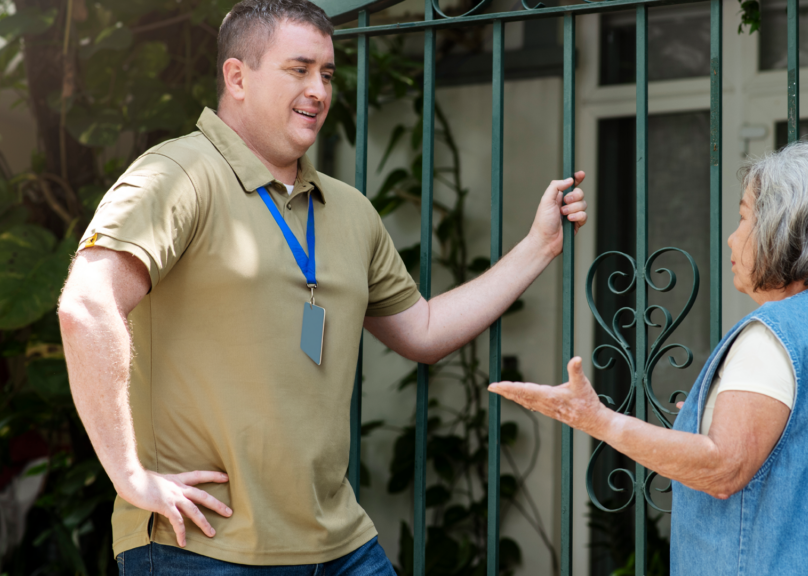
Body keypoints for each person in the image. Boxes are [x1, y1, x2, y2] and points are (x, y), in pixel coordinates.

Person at [56, 0, 588, 572]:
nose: (319, 90)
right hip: (202, 546)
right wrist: (129, 475)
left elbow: (425, 331)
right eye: (299, 69)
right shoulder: (177, 175)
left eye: (327, 74)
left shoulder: (351, 210)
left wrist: (540, 245)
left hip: (340, 546)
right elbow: (88, 306)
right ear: (237, 76)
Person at [489, 141, 808, 575]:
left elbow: (723, 469)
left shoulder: (774, 335)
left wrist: (596, 418)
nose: (732, 236)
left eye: (744, 218)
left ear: (786, 230)